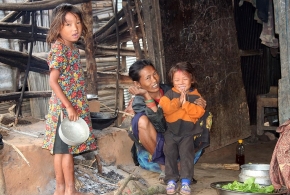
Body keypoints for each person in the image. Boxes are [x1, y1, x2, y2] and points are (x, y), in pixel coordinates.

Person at [126, 59, 212, 184]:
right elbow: (161, 127)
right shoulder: (138, 102)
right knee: (141, 120)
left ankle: (181, 165)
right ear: (138, 84)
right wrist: (147, 97)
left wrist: (199, 103)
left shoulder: (170, 90)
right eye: (148, 78)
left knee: (205, 116)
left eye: (155, 74)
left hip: (180, 143)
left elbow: (190, 102)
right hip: (156, 153)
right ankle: (165, 168)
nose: (154, 80)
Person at [42, 4, 97, 195]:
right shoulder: (59, 49)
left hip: (71, 107)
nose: (75, 28)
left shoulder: (71, 49)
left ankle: (65, 190)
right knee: (64, 151)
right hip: (63, 110)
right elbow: (53, 81)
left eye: (78, 23)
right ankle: (66, 189)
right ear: (58, 27)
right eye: (68, 24)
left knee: (63, 151)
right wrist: (69, 107)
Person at [159, 62, 207, 195]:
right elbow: (165, 109)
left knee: (186, 155)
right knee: (170, 154)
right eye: (177, 80)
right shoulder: (169, 94)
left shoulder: (196, 96)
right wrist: (178, 102)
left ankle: (186, 181)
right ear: (172, 81)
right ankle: (171, 180)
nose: (181, 83)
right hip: (171, 132)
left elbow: (198, 112)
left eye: (185, 79)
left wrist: (185, 104)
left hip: (187, 133)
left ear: (192, 79)